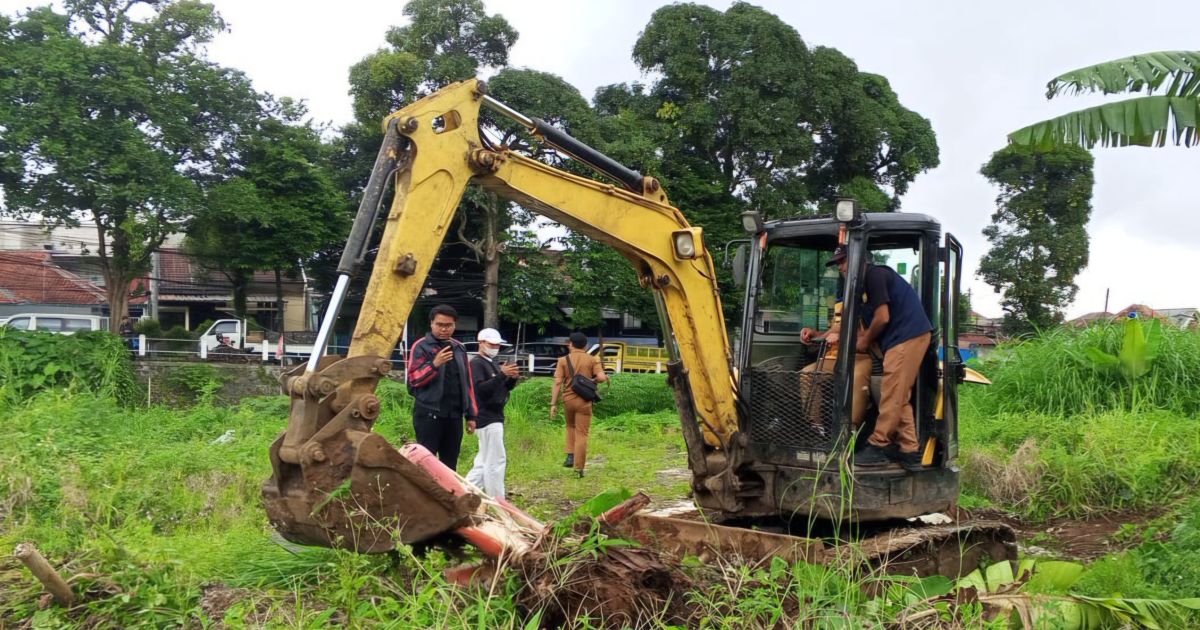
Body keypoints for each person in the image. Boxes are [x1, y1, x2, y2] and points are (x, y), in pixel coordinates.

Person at [826, 245, 932, 471]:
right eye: (838, 264)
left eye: (844, 262)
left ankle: (878, 444)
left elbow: (882, 318)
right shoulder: (861, 287)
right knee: (899, 395)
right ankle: (910, 451)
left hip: (908, 336)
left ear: (858, 260)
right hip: (901, 337)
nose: (841, 267)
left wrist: (864, 341)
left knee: (891, 391)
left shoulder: (874, 275)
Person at [406, 304, 478, 472]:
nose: (444, 329)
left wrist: (471, 415)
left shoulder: (459, 347)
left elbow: (467, 383)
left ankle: (448, 498)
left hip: (454, 416)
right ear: (431, 324)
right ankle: (425, 498)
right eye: (440, 325)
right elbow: (413, 381)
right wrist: (435, 364)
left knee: (450, 464)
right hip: (429, 414)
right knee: (426, 463)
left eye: (449, 325)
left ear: (454, 325)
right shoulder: (421, 346)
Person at [799, 299, 873, 431]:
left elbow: (870, 334)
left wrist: (842, 336)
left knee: (857, 376)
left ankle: (850, 430)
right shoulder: (840, 305)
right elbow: (830, 333)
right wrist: (813, 334)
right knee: (807, 373)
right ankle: (816, 426)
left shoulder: (871, 302)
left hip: (862, 356)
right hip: (835, 357)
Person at [466, 328, 519, 498]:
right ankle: (498, 500)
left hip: (493, 416)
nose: (495, 347)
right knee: (495, 461)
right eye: (491, 344)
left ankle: (464, 492)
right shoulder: (476, 364)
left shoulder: (492, 362)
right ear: (481, 343)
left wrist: (510, 379)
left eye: (497, 345)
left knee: (483, 463)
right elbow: (481, 390)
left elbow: (500, 387)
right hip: (487, 417)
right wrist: (501, 375)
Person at [549, 331, 609, 478]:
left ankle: (570, 455)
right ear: (586, 345)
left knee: (570, 427)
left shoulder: (563, 360)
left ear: (570, 344)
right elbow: (601, 377)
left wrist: (553, 404)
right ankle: (578, 469)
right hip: (585, 401)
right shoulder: (593, 359)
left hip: (568, 400)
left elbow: (557, 382)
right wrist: (597, 379)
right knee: (582, 433)